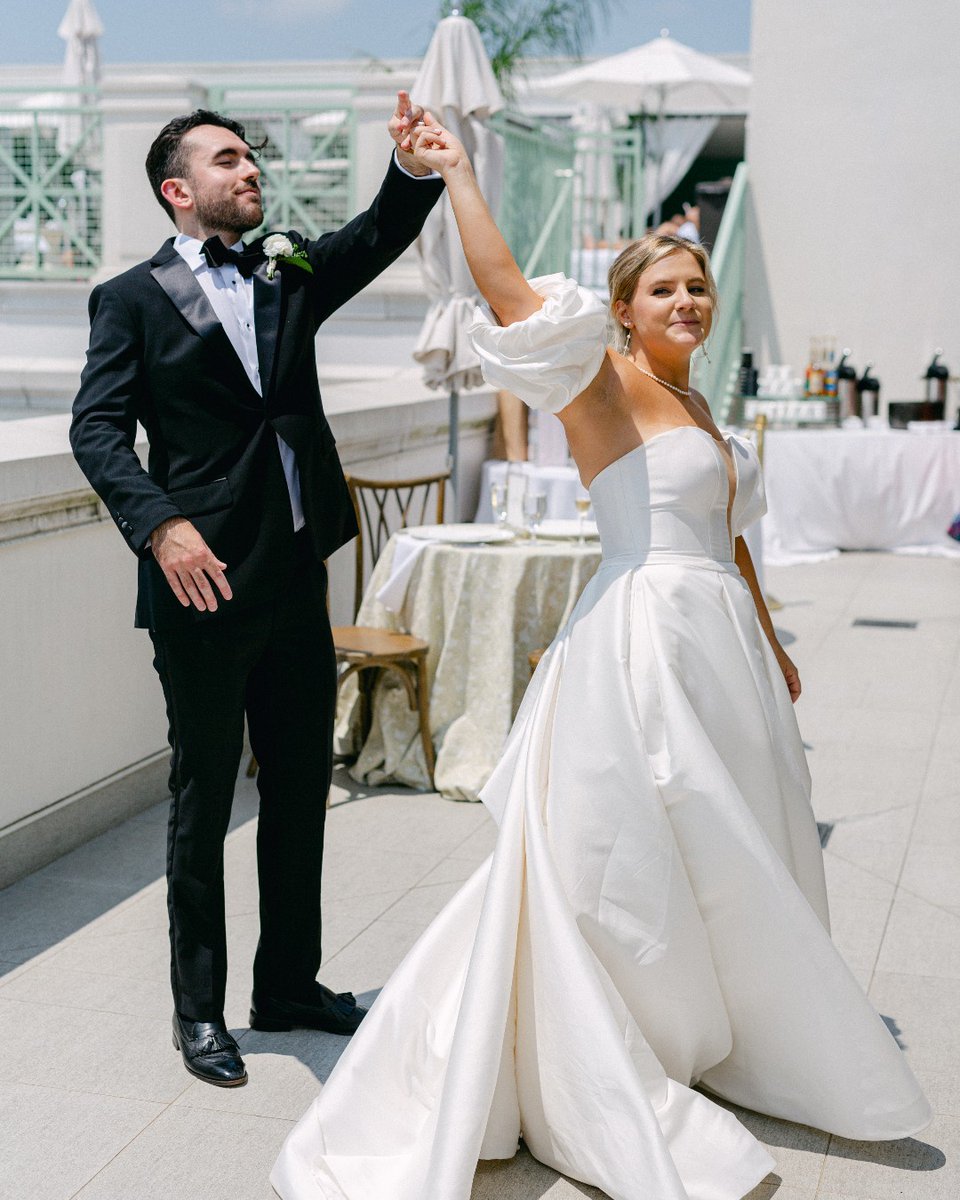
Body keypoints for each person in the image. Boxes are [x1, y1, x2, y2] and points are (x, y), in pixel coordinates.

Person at [271, 121, 930, 1199]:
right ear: (623, 308)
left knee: (726, 844)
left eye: (698, 290)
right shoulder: (603, 386)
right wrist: (461, 176)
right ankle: (604, 1045)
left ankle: (714, 1023)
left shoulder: (704, 408)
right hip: (638, 641)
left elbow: (732, 536)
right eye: (665, 289)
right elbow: (508, 297)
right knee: (623, 848)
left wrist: (771, 644)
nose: (686, 304)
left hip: (720, 644)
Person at [69, 93, 444, 1089]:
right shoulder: (129, 299)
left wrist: (412, 169)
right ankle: (199, 1012)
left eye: (252, 158)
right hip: (199, 585)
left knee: (297, 790)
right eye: (228, 160)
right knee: (202, 798)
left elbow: (374, 238)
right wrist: (160, 525)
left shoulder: (289, 271)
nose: (252, 171)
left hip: (294, 574)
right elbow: (96, 432)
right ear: (177, 189)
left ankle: (288, 986)